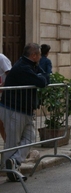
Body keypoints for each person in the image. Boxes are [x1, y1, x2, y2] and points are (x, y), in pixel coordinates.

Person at [0, 43, 49, 182]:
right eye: (39, 55)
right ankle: (10, 170)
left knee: (31, 137)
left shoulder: (30, 65)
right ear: (34, 55)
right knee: (13, 141)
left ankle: (14, 162)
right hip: (14, 109)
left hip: (24, 110)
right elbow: (41, 81)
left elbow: (45, 77)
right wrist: (42, 77)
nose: (40, 57)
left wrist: (43, 76)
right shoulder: (23, 67)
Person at [0, 53, 12, 141]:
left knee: (2, 123)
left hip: (2, 96)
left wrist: (2, 86)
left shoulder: (2, 58)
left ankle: (10, 146)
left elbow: (10, 74)